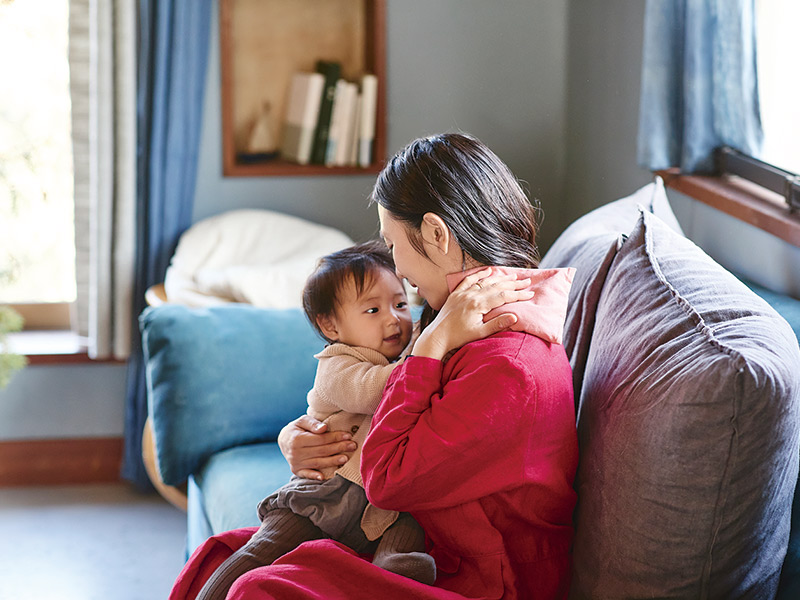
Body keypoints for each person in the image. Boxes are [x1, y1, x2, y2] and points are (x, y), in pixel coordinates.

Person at [170, 132, 578, 600]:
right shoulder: (454, 315)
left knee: (257, 590)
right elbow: (364, 400)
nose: (398, 268)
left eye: (392, 242)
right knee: (221, 558)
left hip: (476, 578)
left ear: (435, 234)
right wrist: (297, 437)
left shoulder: (508, 366)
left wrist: (432, 346)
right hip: (428, 541)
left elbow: (386, 479)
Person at [194, 241, 436, 600]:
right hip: (324, 494)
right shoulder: (336, 364)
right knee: (261, 551)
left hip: (382, 504)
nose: (393, 318)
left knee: (405, 531)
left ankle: (397, 567)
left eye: (400, 304)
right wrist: (429, 351)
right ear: (330, 325)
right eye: (372, 309)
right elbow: (377, 391)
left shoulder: (403, 355)